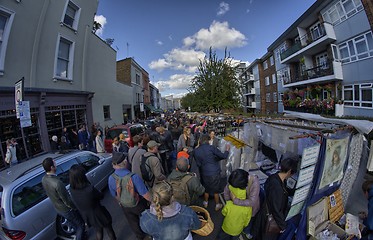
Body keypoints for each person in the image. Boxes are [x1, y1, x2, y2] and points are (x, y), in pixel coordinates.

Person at [108, 152, 151, 240]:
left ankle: (140, 236)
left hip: (125, 205)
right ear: (125, 162)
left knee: (133, 222)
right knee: (146, 219)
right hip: (138, 204)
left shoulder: (111, 178)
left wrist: (120, 202)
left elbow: (114, 194)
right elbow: (145, 194)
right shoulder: (134, 177)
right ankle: (149, 233)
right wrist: (154, 202)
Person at [252, 157, 298, 240]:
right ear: (289, 172)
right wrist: (282, 226)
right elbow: (276, 210)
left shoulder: (275, 177)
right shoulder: (277, 188)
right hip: (268, 219)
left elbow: (285, 190)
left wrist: (294, 192)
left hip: (264, 213)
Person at [41, 157, 85, 240]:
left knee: (74, 224)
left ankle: (82, 236)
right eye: (55, 163)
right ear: (52, 167)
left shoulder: (44, 179)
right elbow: (67, 200)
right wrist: (74, 208)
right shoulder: (58, 183)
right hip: (66, 209)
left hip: (58, 208)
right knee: (81, 225)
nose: (56, 164)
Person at [69, 164, 116, 240]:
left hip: (88, 216)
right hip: (99, 213)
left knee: (98, 231)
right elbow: (101, 196)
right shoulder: (89, 189)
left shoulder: (72, 189)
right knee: (109, 229)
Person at [194, 134, 230, 211]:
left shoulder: (196, 151)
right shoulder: (211, 148)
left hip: (204, 172)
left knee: (206, 188)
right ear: (207, 140)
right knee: (216, 190)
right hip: (214, 172)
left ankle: (206, 202)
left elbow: (198, 164)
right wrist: (227, 150)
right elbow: (223, 156)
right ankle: (217, 204)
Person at [224, 169, 260, 239]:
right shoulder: (235, 177)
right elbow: (227, 190)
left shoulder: (254, 182)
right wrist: (228, 201)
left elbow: (252, 202)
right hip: (237, 205)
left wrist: (234, 201)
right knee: (240, 220)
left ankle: (246, 231)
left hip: (249, 207)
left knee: (248, 221)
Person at [218, 169, 253, 240]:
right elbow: (247, 221)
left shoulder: (229, 204)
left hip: (226, 228)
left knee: (221, 237)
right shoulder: (248, 207)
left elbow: (224, 212)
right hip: (238, 230)